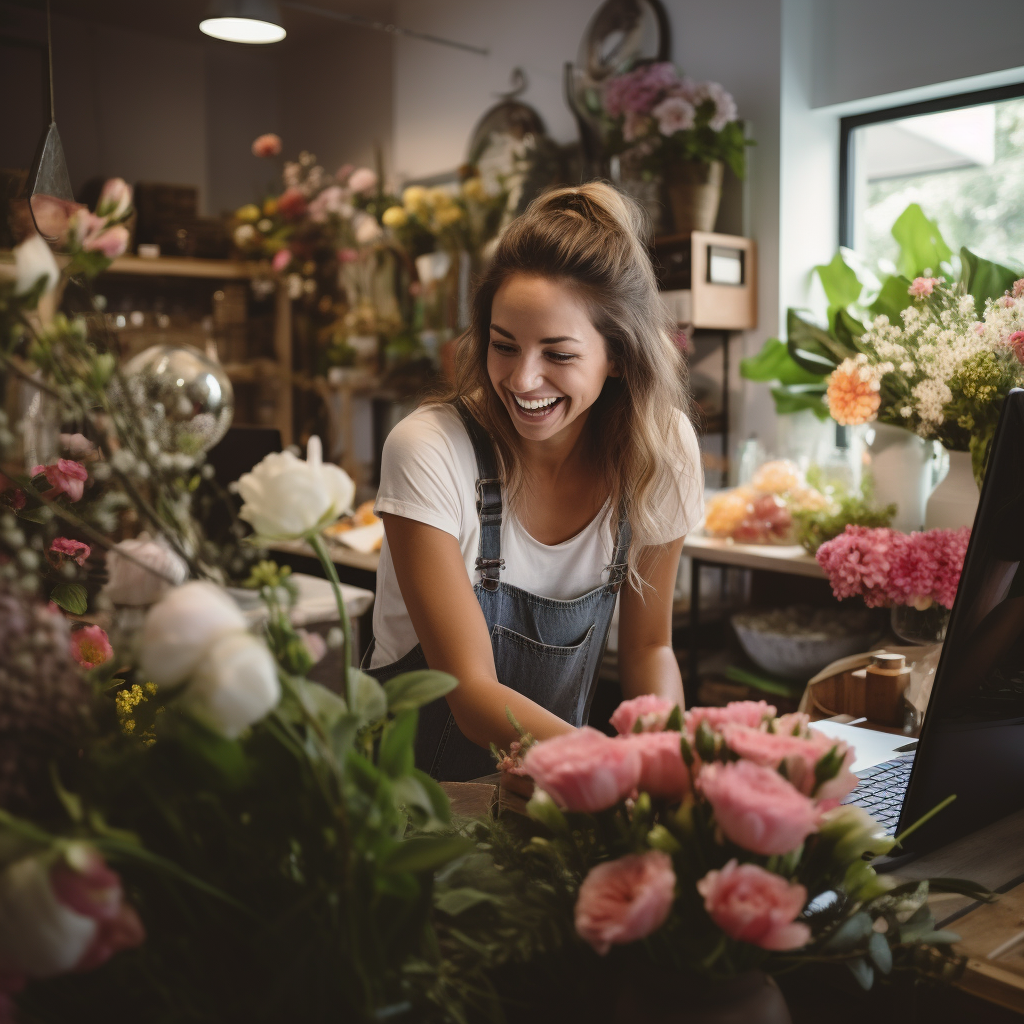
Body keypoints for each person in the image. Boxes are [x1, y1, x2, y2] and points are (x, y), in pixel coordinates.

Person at [365, 182, 704, 781]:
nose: (523, 379)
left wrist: (665, 760)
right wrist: (622, 771)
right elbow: (469, 694)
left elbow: (650, 649)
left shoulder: (661, 448)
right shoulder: (430, 449)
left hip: (554, 797)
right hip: (414, 813)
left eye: (559, 354)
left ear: (618, 355)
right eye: (504, 346)